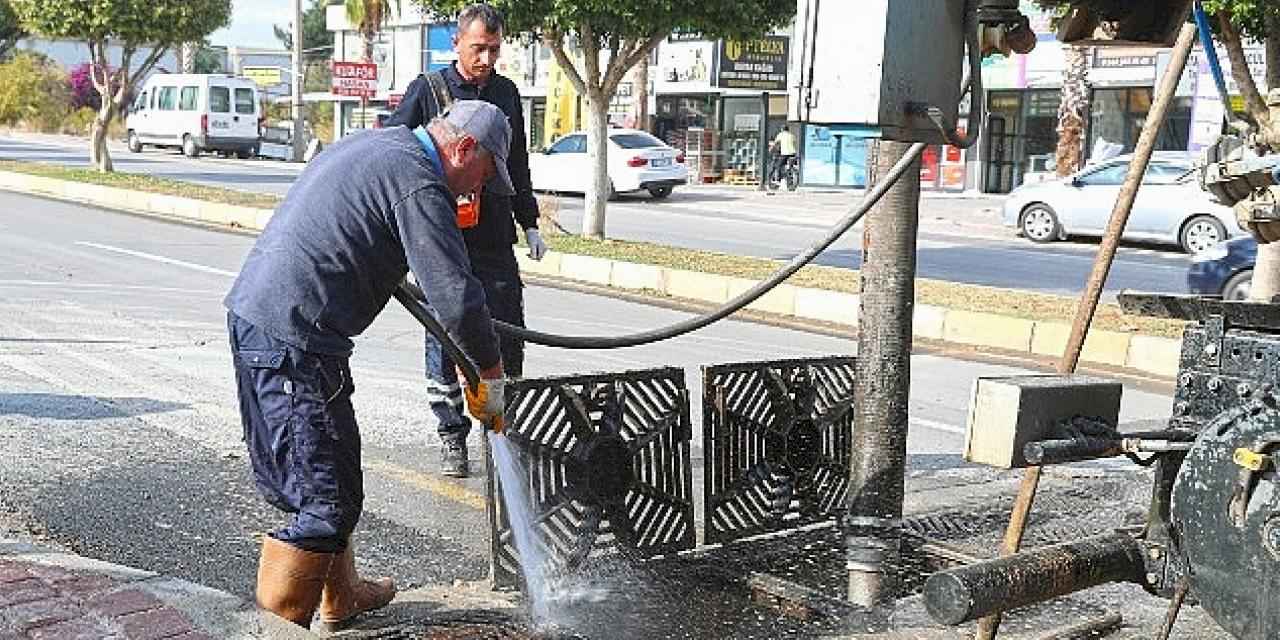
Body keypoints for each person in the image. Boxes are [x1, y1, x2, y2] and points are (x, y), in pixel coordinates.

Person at [224, 100, 513, 629]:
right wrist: (490, 378)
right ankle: (276, 627)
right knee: (322, 502)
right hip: (293, 339)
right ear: (465, 147)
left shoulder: (381, 143)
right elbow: (455, 297)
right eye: (484, 174)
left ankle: (343, 596)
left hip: (275, 323)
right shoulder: (420, 181)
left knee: (335, 475)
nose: (478, 189)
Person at [384, 3, 543, 478]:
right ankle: (452, 436)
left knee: (506, 331)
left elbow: (517, 163)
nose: (487, 59)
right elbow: (394, 151)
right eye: (479, 48)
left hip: (494, 236)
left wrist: (529, 220)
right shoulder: (427, 91)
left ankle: (501, 429)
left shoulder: (507, 94)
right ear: (457, 43)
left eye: (494, 50)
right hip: (443, 236)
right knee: (446, 334)